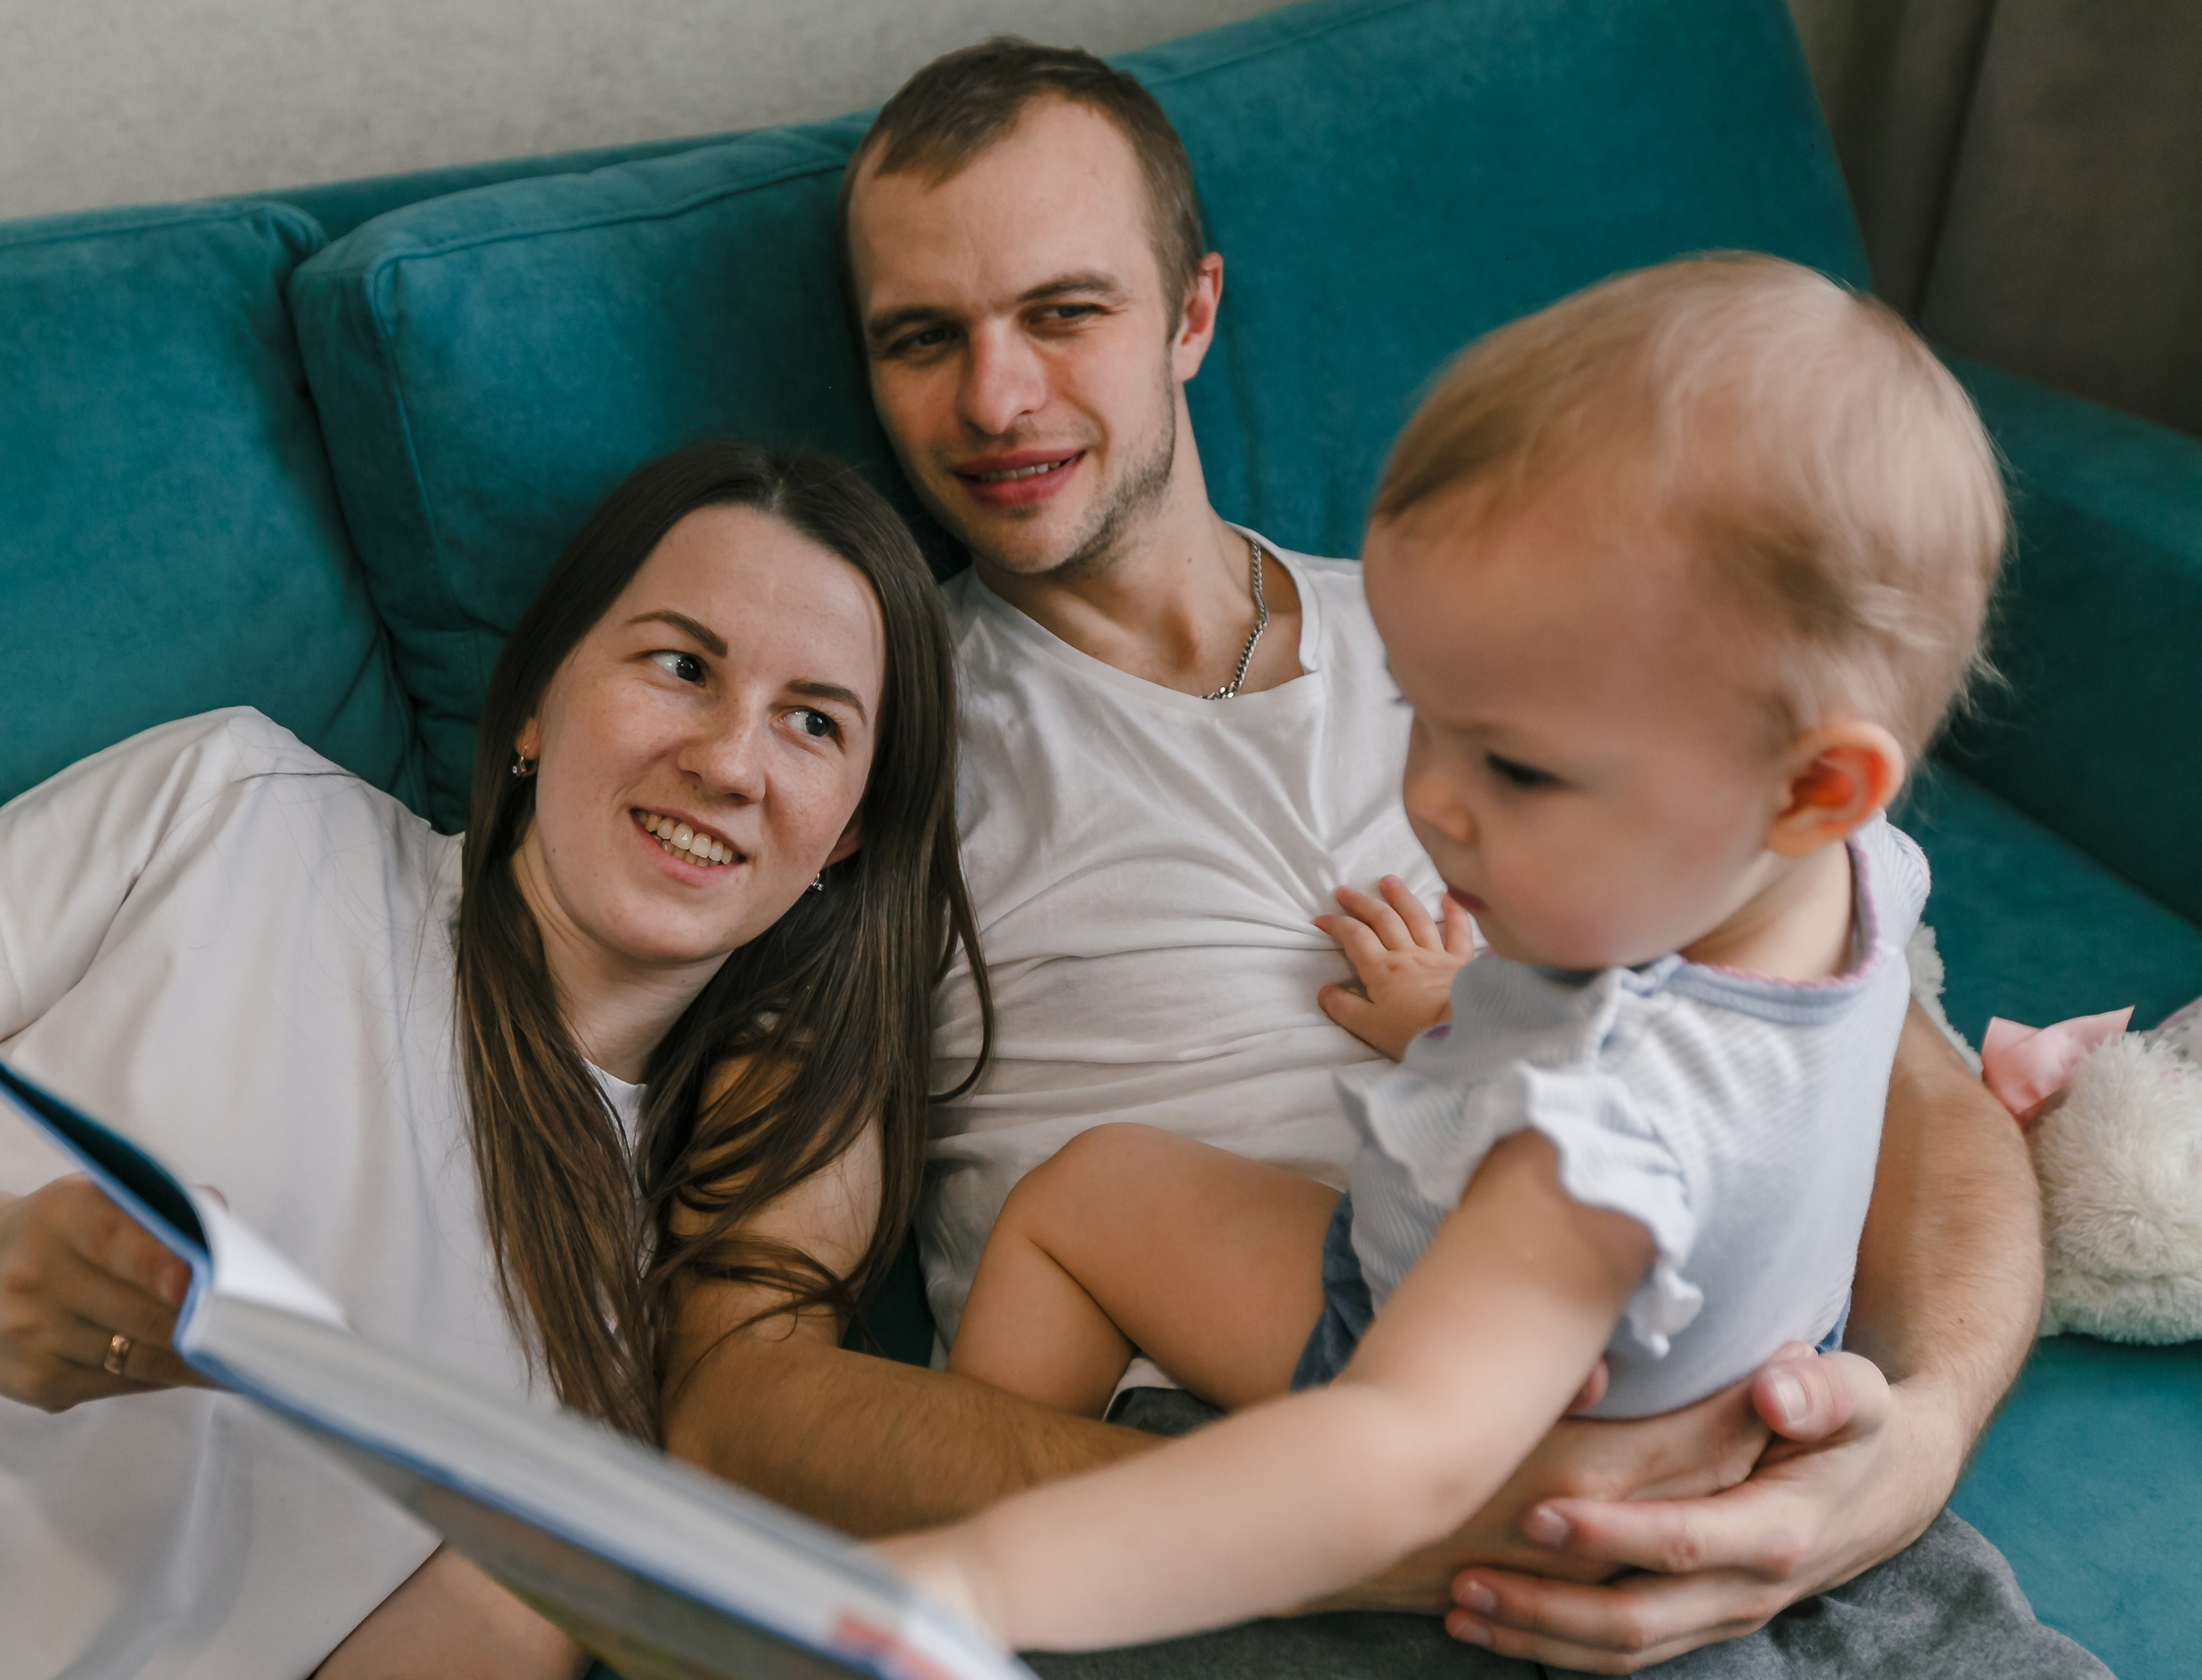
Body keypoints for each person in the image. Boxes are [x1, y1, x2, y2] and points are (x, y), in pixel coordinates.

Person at [662, 39, 2084, 1677]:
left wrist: (1907, 1447)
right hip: (1250, 1497)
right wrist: (1339, 1539)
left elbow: (1896, 1082)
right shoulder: (870, 752)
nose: (993, 399)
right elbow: (737, 1385)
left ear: (1192, 314)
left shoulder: (1541, 627)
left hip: (1726, 1416)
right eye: (923, 338)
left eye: (1064, 312)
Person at [0, 442, 983, 1679]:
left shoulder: (653, 1356)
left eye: (813, 723)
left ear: (850, 837)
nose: (727, 760)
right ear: (534, 705)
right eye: (680, 665)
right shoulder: (235, 807)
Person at [880, 251, 2010, 1652]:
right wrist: (1459, 1018)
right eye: (1421, 714)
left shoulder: (1586, 1139)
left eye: (1520, 770)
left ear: (1811, 785)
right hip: (1725, 1360)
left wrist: (981, 1579)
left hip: (1465, 1359)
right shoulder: (1849, 874)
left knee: (1091, 1194)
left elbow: (1391, 1458)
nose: (1433, 805)